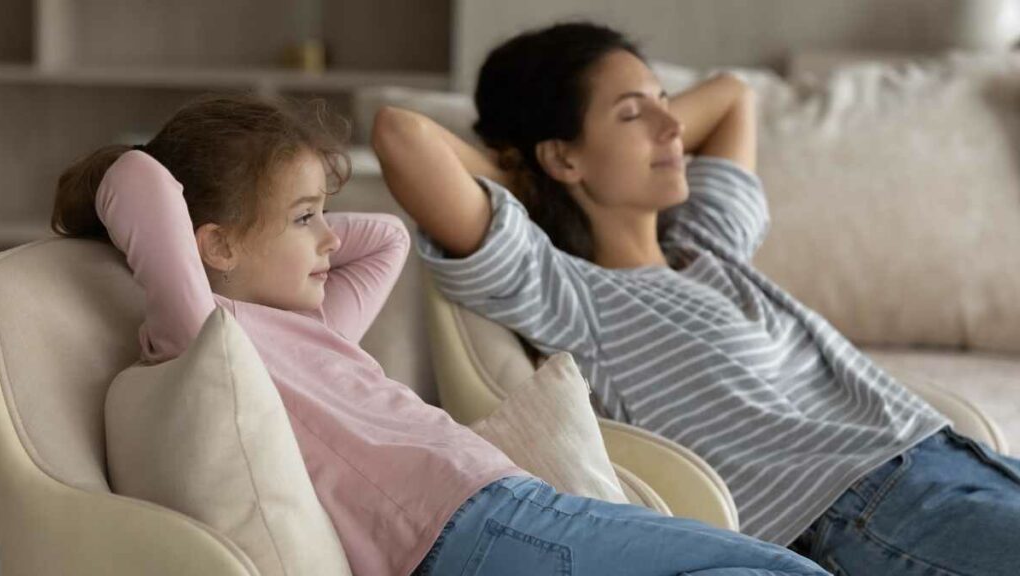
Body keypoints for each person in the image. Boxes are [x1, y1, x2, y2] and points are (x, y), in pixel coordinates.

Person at [52, 94, 827, 576]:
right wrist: (148, 172)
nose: (329, 239)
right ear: (212, 247)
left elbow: (385, 237)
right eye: (305, 218)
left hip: (501, 511)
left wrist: (294, 213)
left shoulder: (308, 330)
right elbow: (137, 181)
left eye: (323, 212)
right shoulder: (205, 334)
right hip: (472, 527)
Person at [372, 21, 1020, 575]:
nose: (671, 126)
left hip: (948, 456)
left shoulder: (708, 243)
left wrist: (625, 122)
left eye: (665, 102)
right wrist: (532, 176)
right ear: (563, 158)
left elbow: (735, 95)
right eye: (632, 113)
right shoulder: (569, 293)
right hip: (861, 509)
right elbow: (402, 135)